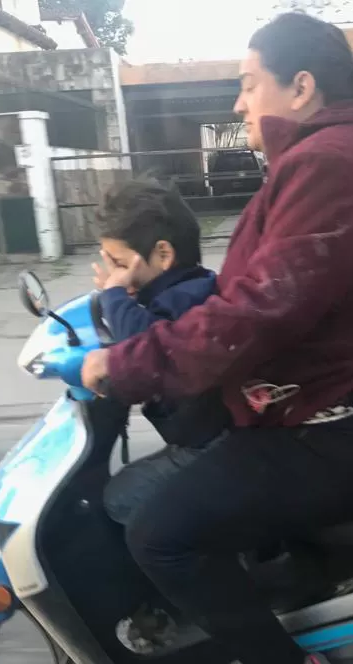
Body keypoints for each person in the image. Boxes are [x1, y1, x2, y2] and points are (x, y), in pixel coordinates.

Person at [81, 12, 353, 664]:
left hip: (345, 426)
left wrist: (131, 361)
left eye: (248, 84)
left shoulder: (327, 164)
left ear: (299, 87)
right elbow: (250, 294)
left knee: (160, 534)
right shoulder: (318, 159)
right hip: (318, 409)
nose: (239, 102)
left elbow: (259, 310)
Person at [88, 178, 232, 526]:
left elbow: (144, 347)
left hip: (214, 447)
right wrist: (124, 294)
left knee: (122, 497)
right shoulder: (179, 291)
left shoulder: (193, 296)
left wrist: (115, 296)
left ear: (164, 254)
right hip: (199, 440)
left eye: (120, 264)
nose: (113, 275)